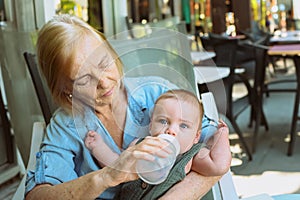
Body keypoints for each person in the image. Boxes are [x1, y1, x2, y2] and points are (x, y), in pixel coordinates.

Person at [25, 14, 231, 200]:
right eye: (84, 79)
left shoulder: (157, 94)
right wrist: (106, 177)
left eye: (104, 62)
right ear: (64, 90)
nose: (104, 83)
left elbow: (216, 152)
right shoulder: (66, 127)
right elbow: (38, 196)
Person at [85, 89, 229, 199]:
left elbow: (219, 165)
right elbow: (118, 165)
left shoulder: (192, 156)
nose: (171, 130)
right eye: (163, 121)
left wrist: (222, 135)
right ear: (151, 126)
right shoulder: (140, 145)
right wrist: (98, 147)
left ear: (196, 137)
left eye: (183, 126)